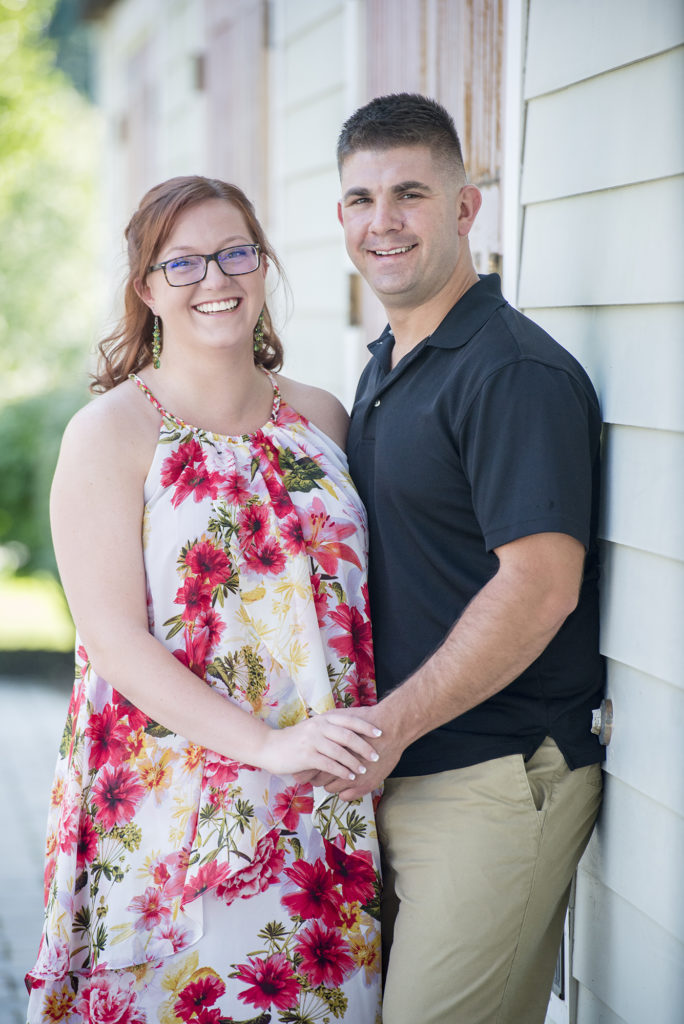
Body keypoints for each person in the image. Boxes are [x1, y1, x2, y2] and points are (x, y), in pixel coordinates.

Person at [26, 175, 383, 1022]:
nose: (214, 281)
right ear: (146, 288)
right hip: (170, 803)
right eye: (182, 264)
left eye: (234, 254)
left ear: (262, 266)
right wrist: (266, 745)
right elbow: (112, 637)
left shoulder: (324, 419)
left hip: (319, 796)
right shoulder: (113, 431)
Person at [328, 93, 606, 1023]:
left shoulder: (509, 372)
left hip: (492, 781)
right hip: (403, 773)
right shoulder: (389, 367)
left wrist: (389, 726)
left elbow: (538, 588)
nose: (385, 222)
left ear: (466, 206)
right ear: (340, 218)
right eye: (362, 200)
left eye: (411, 193)